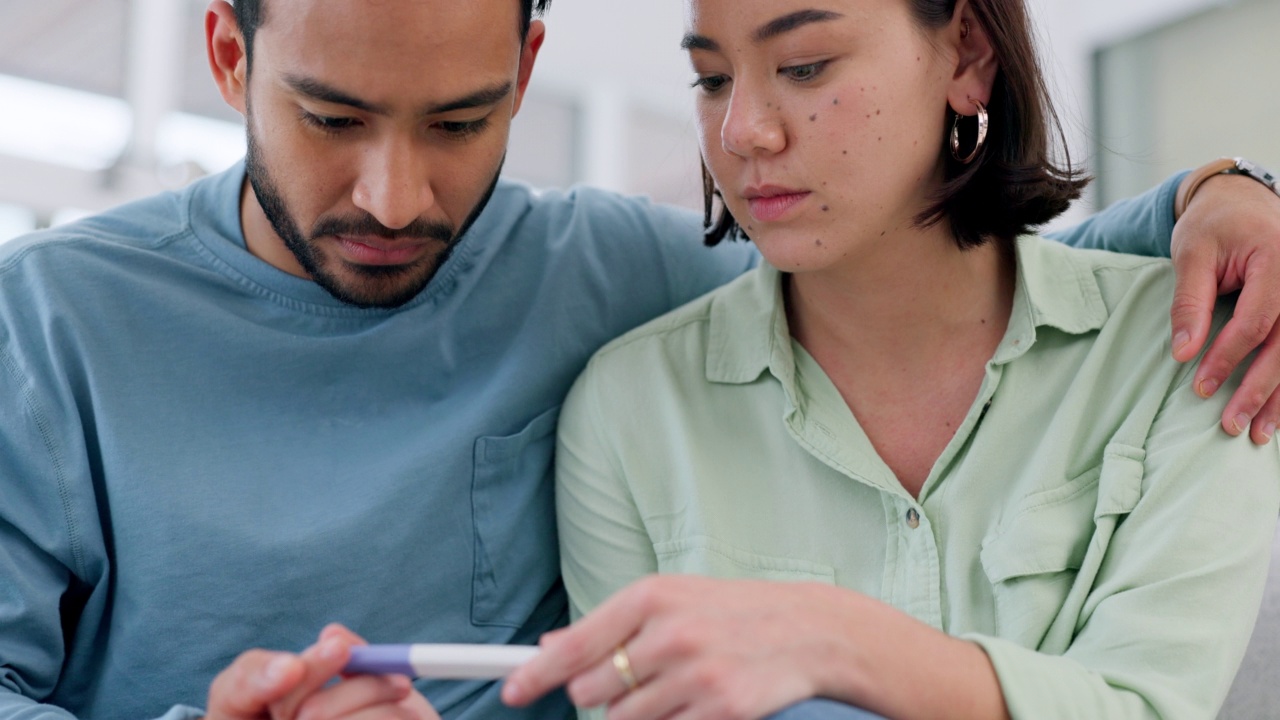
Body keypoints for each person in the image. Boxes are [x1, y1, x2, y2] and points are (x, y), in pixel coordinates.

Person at [0, 1, 1277, 720]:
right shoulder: (50, 320)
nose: (393, 198)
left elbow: (923, 266)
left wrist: (1213, 199)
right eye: (330, 120)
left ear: (525, 71)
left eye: (458, 124)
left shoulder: (604, 273)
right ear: (229, 56)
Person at [501, 0, 1280, 718]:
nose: (742, 130)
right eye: (711, 79)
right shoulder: (628, 412)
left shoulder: (1185, 354)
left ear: (968, 56)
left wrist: (833, 643)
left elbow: (1146, 707)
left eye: (804, 67)